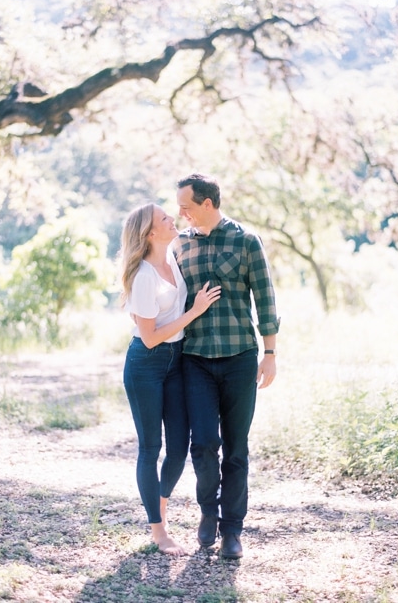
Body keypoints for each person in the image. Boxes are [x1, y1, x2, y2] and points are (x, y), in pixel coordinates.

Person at [174, 173, 280, 560]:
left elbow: (265, 298)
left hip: (238, 359)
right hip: (195, 360)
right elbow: (172, 301)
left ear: (207, 203)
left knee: (236, 449)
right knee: (202, 444)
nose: (180, 212)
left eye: (186, 205)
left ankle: (233, 530)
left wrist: (269, 353)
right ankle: (208, 512)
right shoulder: (179, 245)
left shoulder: (246, 241)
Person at [119, 203, 219, 555]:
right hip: (146, 363)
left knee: (178, 448)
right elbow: (149, 337)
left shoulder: (171, 258)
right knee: (151, 448)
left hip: (175, 361)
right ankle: (158, 531)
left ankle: (158, 508)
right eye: (164, 218)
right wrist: (195, 312)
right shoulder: (144, 275)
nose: (171, 219)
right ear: (149, 233)